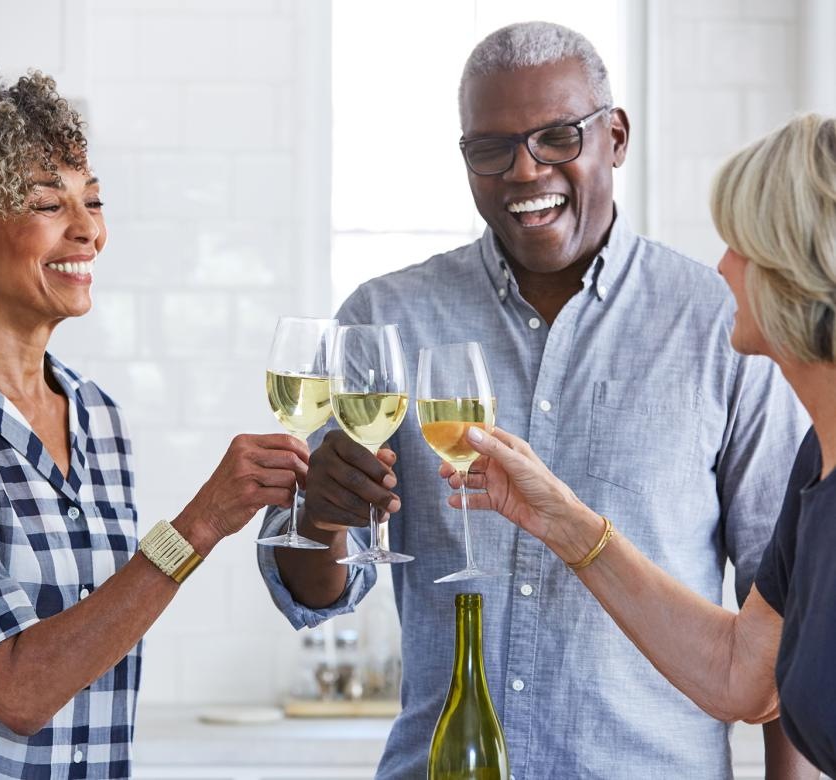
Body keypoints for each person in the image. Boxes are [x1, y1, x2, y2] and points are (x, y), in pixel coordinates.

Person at [258, 22, 816, 779]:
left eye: (557, 138)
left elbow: (784, 622)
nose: (524, 171)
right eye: (490, 149)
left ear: (614, 137)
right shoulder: (386, 319)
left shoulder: (723, 323)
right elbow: (315, 594)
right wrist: (319, 517)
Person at [0, 63, 309, 779]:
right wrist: (199, 526)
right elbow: (18, 691)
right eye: (49, 204)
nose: (89, 232)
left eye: (95, 202)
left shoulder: (98, 420)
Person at [450, 112, 836, 777]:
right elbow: (742, 677)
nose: (721, 267)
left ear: (795, 268)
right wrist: (564, 523)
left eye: (740, 246)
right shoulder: (817, 463)